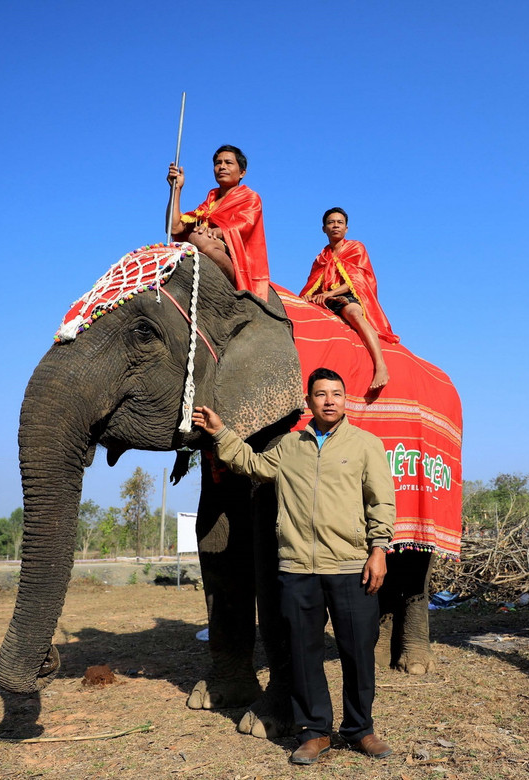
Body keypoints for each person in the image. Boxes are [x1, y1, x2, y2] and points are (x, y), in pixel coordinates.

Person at [191, 367, 395, 766]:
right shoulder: (289, 446)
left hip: (351, 564)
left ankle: (360, 729)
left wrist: (379, 550)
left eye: (336, 393)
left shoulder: (367, 444)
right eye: (321, 394)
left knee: (357, 652)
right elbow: (251, 464)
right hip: (298, 566)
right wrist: (220, 432)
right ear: (309, 401)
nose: (330, 400)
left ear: (345, 398)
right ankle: (315, 732)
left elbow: (381, 501)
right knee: (303, 653)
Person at [300, 208, 398, 390]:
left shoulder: (356, 248)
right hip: (325, 300)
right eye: (331, 222)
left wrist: (330, 294)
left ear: (346, 229)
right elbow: (313, 284)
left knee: (353, 313)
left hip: (347, 295)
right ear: (324, 229)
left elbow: (358, 280)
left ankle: (380, 366)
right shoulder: (321, 258)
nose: (335, 225)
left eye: (339, 222)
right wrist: (308, 296)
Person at [166, 144, 269, 299]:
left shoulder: (250, 197)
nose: (222, 167)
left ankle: (236, 287)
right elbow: (174, 228)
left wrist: (217, 232)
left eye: (228, 163)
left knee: (197, 238)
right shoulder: (210, 201)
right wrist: (176, 189)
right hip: (208, 245)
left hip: (236, 256)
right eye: (218, 163)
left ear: (242, 172)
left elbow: (245, 224)